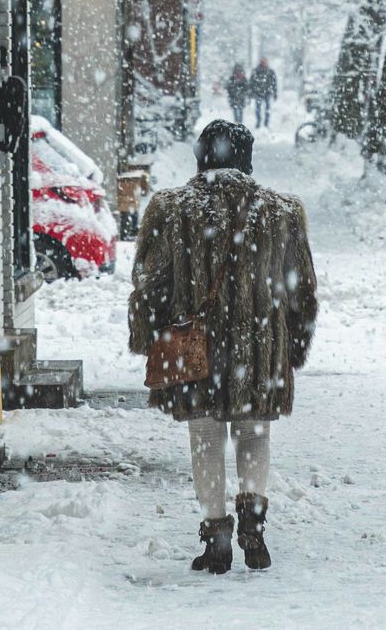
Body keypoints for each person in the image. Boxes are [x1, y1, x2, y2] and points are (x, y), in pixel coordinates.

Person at [128, 120, 318, 575]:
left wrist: (149, 336)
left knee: (205, 437)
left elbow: (148, 284)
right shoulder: (282, 212)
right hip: (259, 350)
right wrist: (292, 347)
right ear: (247, 161)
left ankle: (216, 535)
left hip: (198, 350)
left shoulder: (171, 209)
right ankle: (253, 525)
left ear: (201, 158)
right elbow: (302, 292)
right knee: (254, 432)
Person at [250, 58, 278, 129]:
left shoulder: (270, 72)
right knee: (258, 109)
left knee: (267, 109)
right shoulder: (256, 71)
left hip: (267, 93)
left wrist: (275, 92)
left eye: (264, 62)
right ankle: (259, 121)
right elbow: (252, 82)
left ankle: (266, 123)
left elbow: (274, 83)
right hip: (258, 93)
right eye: (262, 62)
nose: (263, 63)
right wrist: (252, 92)